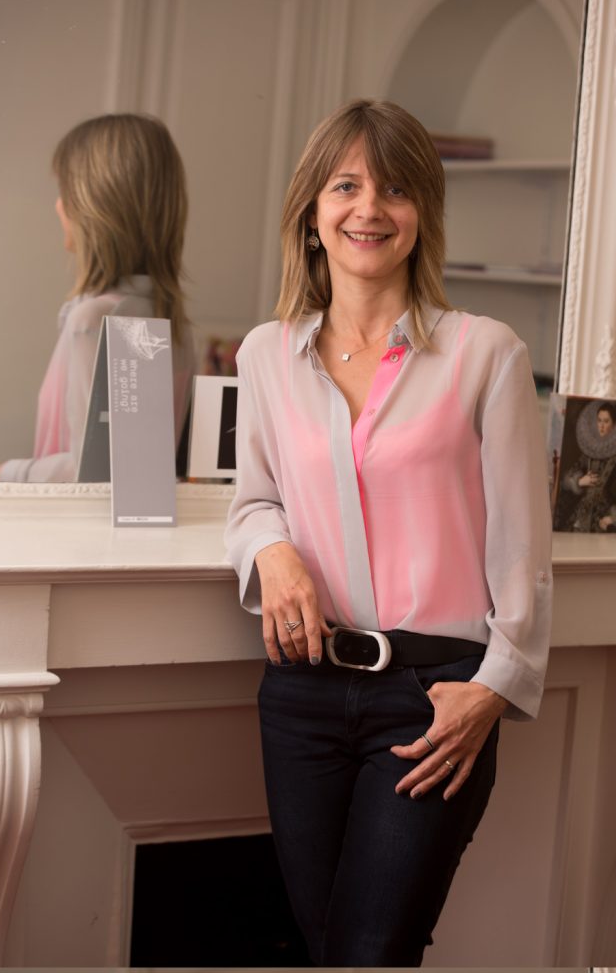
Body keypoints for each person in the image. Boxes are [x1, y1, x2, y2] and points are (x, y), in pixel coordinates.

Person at [224, 99, 552, 966]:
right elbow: (253, 499)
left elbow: (524, 546)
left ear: (423, 215)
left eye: (397, 188)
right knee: (330, 944)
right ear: (313, 210)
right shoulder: (265, 355)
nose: (370, 208)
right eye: (347, 185)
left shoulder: (488, 354)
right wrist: (273, 548)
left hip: (433, 698)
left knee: (371, 950)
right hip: (300, 693)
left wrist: (494, 687)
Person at [0, 113, 197, 482]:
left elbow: (101, 473)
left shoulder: (96, 319)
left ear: (94, 209)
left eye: (65, 193)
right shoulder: (171, 321)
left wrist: (7, 473)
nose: (57, 206)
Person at [560, 400, 616, 532]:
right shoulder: (591, 450)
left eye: (606, 421)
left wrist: (613, 517)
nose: (601, 426)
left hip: (603, 511)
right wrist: (580, 481)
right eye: (599, 421)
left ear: (614, 425)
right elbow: (567, 479)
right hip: (582, 509)